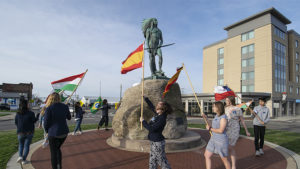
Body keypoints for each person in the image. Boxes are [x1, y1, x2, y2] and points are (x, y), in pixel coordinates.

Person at [140, 97, 172, 169]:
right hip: (153, 141)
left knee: (162, 161)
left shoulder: (162, 119)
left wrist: (143, 122)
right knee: (152, 160)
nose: (156, 108)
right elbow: (152, 107)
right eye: (157, 107)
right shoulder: (158, 114)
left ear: (163, 110)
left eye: (158, 107)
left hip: (158, 143)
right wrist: (146, 99)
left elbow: (152, 129)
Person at [44, 92, 71, 169]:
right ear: (59, 98)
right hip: (64, 133)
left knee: (53, 153)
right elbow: (69, 117)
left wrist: (46, 131)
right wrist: (65, 109)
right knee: (57, 149)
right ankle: (59, 166)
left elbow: (46, 123)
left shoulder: (49, 108)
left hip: (53, 133)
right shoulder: (65, 106)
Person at [225, 96, 250, 169]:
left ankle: (233, 166)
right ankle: (228, 164)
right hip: (226, 129)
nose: (226, 101)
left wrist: (246, 131)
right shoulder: (225, 108)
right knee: (226, 147)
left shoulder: (237, 109)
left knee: (230, 147)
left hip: (234, 129)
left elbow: (242, 120)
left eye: (227, 100)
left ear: (230, 101)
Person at [204, 102, 231, 169]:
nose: (212, 108)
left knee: (224, 160)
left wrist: (210, 129)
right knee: (207, 155)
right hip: (213, 139)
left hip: (221, 141)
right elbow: (212, 125)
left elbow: (221, 130)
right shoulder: (217, 116)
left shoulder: (223, 118)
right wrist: (206, 118)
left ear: (218, 108)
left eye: (214, 107)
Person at [15, 99, 39, 165]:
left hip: (20, 132)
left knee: (21, 145)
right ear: (26, 105)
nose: (29, 105)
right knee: (26, 146)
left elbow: (16, 122)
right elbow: (34, 121)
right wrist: (37, 116)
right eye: (28, 103)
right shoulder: (31, 113)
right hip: (29, 132)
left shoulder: (18, 113)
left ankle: (20, 156)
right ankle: (24, 159)